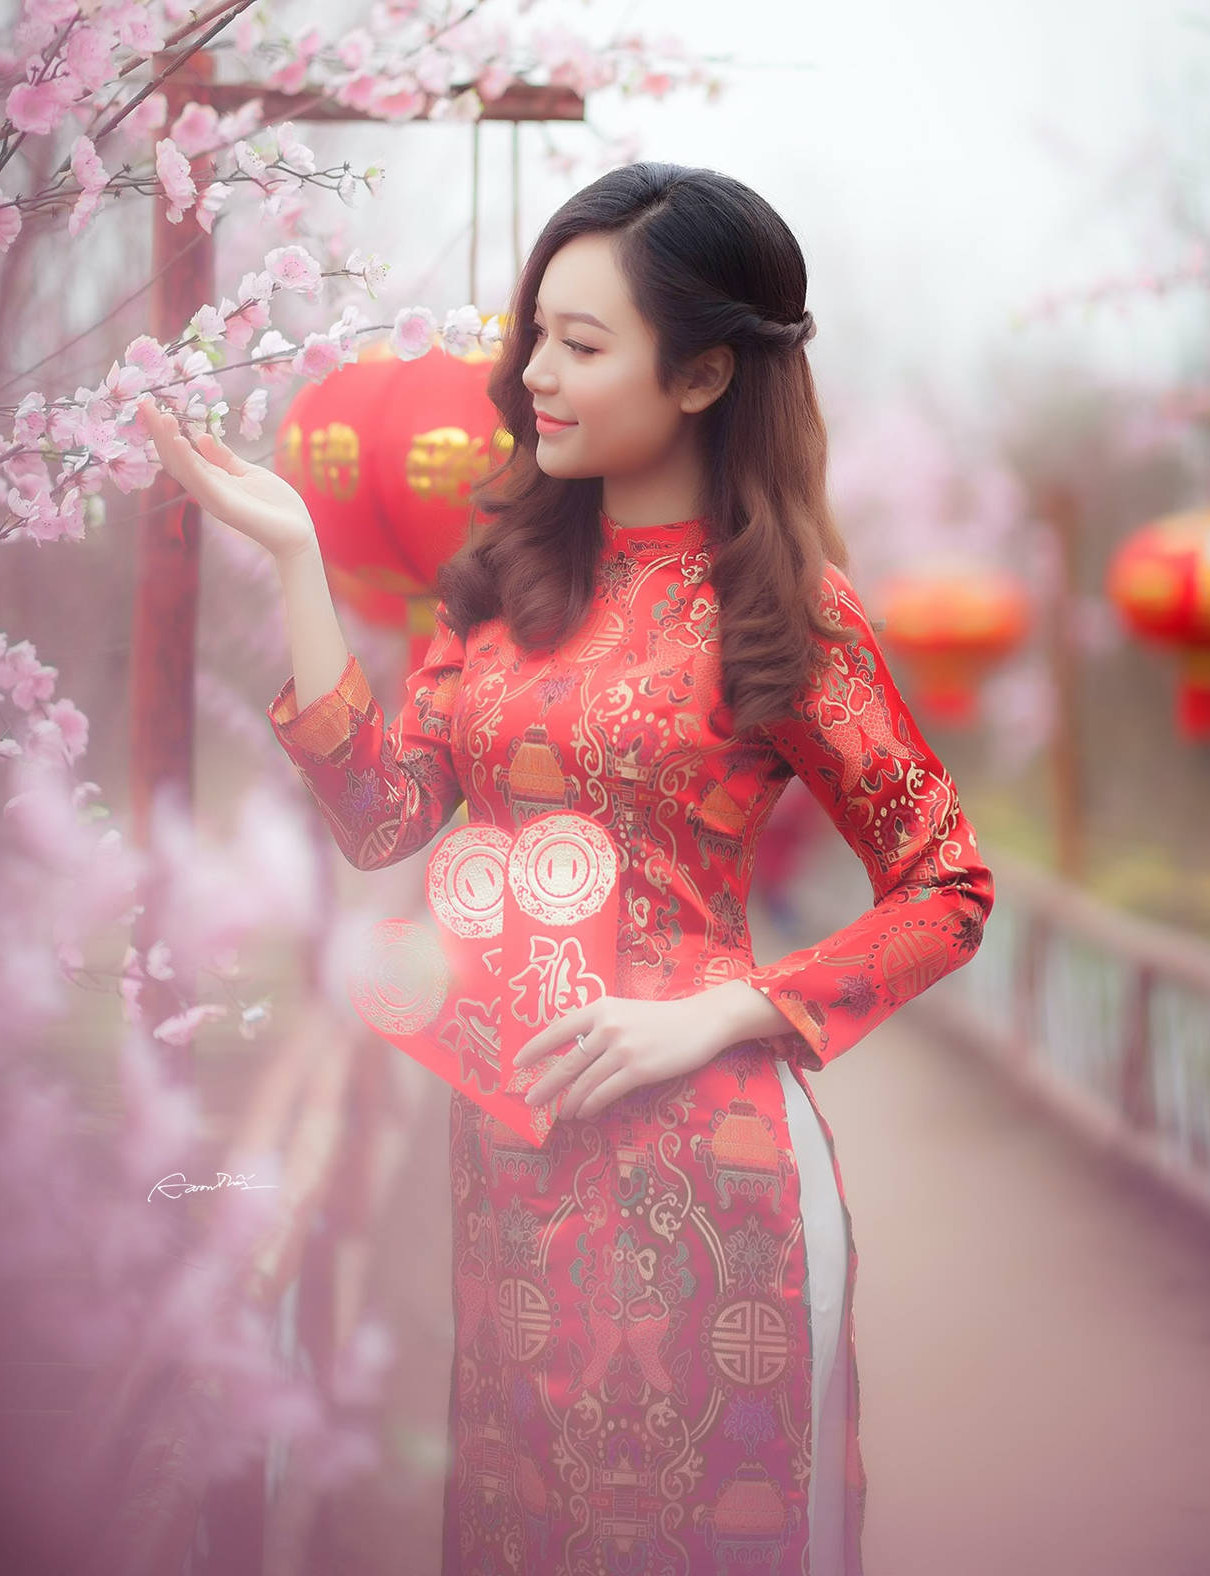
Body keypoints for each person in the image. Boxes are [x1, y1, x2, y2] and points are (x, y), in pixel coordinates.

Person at [137, 161, 994, 1576]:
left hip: (719, 1182)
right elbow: (382, 815)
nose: (531, 370)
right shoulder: (502, 584)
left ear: (707, 372)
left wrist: (719, 1010)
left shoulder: (784, 611)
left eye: (580, 344)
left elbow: (947, 887)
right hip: (519, 1179)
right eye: (535, 331)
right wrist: (297, 559)